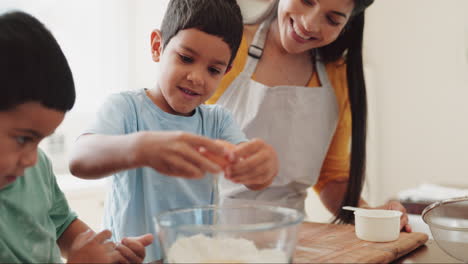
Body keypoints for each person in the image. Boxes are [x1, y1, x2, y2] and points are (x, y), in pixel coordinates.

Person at [68, 0, 278, 261]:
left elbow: (251, 173)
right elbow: (79, 159)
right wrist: (141, 148)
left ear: (227, 71)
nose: (197, 77)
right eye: (186, 58)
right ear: (158, 46)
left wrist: (263, 166)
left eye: (213, 69)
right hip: (131, 258)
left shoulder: (218, 121)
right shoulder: (125, 108)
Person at [207, 0, 411, 231]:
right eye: (306, 1)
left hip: (291, 237)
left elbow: (331, 177)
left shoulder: (337, 75)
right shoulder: (223, 45)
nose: (309, 24)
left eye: (332, 19)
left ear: (347, 24)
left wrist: (368, 214)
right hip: (210, 230)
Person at [0, 11, 153, 263]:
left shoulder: (37, 165)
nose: (31, 158)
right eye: (23, 139)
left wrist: (106, 252)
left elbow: (62, 226)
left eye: (40, 140)